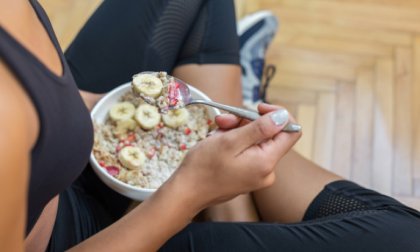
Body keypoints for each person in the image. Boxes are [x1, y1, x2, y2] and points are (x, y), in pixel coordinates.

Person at [1, 1, 419, 252]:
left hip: (62, 157)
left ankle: (228, 195)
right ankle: (225, 204)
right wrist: (190, 192)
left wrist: (83, 111)